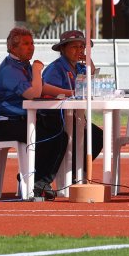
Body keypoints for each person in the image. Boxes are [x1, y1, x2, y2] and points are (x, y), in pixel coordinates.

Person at [0, 27, 71, 200]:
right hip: (2, 123)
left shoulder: (23, 65)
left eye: (32, 43)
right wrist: (38, 71)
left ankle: (37, 181)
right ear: (13, 48)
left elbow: (42, 86)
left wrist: (69, 92)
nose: (31, 47)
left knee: (59, 133)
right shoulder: (10, 69)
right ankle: (34, 181)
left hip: (20, 119)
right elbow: (34, 94)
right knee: (50, 136)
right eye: (25, 44)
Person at [40, 30, 104, 167]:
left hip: (76, 118)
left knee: (97, 136)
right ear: (63, 49)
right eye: (75, 47)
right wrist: (71, 93)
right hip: (55, 118)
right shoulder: (55, 69)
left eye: (82, 47)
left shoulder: (81, 67)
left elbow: (91, 78)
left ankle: (76, 170)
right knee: (89, 136)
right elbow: (47, 93)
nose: (79, 50)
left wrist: (89, 62)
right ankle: (71, 171)